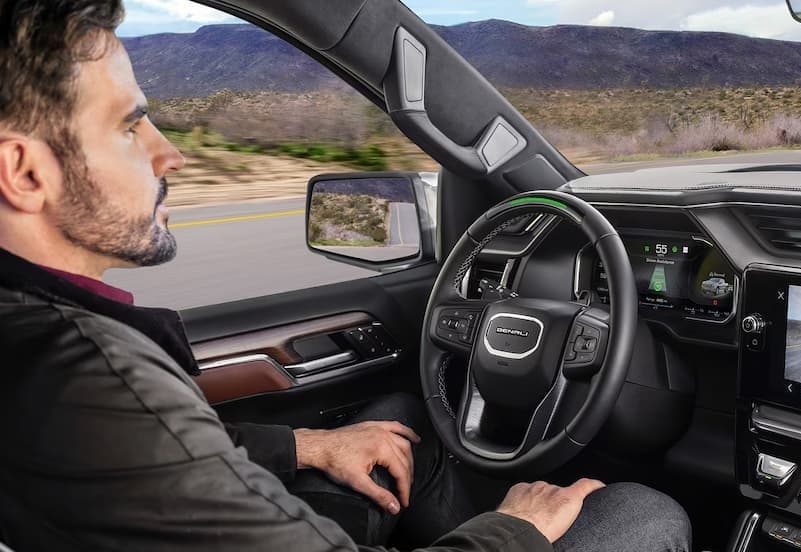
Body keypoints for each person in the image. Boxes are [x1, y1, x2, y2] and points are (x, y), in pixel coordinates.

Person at [0, 1, 692, 551]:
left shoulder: (40, 340)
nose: (169, 154)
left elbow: (162, 463)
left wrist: (307, 444)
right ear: (25, 172)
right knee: (640, 511)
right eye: (130, 127)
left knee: (398, 427)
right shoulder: (89, 378)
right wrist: (515, 530)